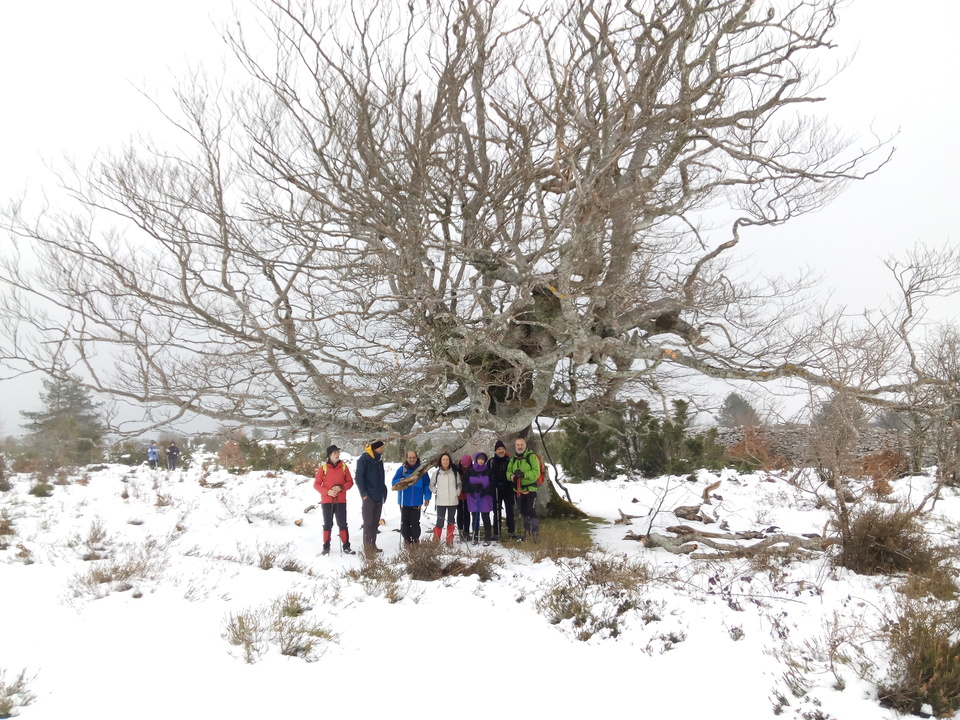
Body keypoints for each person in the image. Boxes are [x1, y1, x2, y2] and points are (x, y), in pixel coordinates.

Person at [314, 444, 355, 555]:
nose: (337, 455)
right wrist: (327, 492)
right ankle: (326, 547)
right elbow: (316, 484)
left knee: (343, 524)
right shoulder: (323, 468)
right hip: (327, 501)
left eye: (338, 452)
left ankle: (346, 546)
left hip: (341, 500)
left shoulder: (344, 467)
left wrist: (342, 487)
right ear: (329, 455)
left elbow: (350, 482)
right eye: (335, 453)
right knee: (327, 524)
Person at [392, 450, 432, 544]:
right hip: (404, 501)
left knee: (415, 522)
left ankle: (415, 540)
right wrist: (400, 480)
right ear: (407, 458)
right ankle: (406, 540)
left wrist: (427, 497)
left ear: (416, 458)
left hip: (416, 501)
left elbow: (427, 484)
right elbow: (393, 482)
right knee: (405, 522)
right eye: (410, 458)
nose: (412, 459)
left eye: (414, 457)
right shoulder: (402, 469)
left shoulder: (421, 470)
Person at [355, 440, 387, 553]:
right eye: (381, 447)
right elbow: (358, 477)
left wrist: (384, 492)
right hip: (369, 497)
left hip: (379, 496)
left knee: (375, 523)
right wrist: (364, 494)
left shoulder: (379, 460)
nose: (382, 449)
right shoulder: (364, 459)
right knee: (368, 524)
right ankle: (368, 549)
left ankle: (373, 545)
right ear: (375, 448)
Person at [507, 437, 541, 541]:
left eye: (521, 445)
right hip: (518, 490)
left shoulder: (531, 457)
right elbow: (508, 471)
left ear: (525, 446)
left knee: (531, 510)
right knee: (523, 511)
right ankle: (527, 531)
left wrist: (524, 474)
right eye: (518, 445)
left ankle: (535, 531)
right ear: (515, 446)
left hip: (530, 489)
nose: (520, 447)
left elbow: (536, 473)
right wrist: (511, 476)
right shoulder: (513, 459)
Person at [464, 451, 495, 546]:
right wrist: (473, 487)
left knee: (485, 516)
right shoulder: (470, 470)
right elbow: (465, 484)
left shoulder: (488, 471)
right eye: (479, 459)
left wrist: (486, 490)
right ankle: (475, 536)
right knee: (475, 517)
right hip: (473, 497)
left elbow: (493, 484)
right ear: (476, 459)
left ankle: (487, 536)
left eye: (483, 459)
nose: (481, 461)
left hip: (485, 497)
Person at [430, 453, 461, 544]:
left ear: (449, 461)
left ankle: (449, 541)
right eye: (443, 460)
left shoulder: (454, 473)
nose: (445, 461)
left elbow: (459, 485)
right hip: (441, 501)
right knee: (439, 521)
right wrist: (436, 491)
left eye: (447, 459)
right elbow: (431, 485)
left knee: (451, 521)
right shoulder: (436, 473)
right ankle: (436, 541)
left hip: (452, 501)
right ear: (440, 461)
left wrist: (457, 492)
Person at [489, 439, 515, 540]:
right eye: (499, 449)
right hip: (496, 489)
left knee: (510, 510)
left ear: (505, 450)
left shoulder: (509, 460)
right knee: (497, 511)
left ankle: (511, 532)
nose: (501, 451)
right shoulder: (491, 461)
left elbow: (512, 472)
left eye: (502, 449)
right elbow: (488, 474)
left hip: (508, 488)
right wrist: (492, 483)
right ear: (495, 451)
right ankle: (496, 533)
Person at [456, 454, 472, 541]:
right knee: (459, 512)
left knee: (467, 513)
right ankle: (460, 530)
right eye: (464, 466)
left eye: (467, 466)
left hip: (468, 495)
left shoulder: (471, 469)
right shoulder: (457, 470)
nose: (465, 467)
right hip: (459, 494)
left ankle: (466, 531)